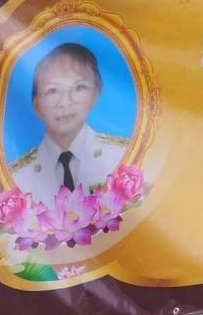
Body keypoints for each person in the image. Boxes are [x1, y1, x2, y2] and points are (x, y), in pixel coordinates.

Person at [11, 42, 128, 202]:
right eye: (52, 91)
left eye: (79, 88)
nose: (65, 102)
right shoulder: (16, 179)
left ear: (95, 94)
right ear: (36, 105)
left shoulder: (123, 158)